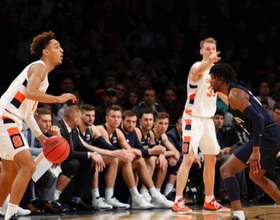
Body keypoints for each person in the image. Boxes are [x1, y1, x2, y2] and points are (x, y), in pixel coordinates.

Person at [0, 31, 77, 220]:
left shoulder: (44, 76)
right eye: (56, 46)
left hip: (12, 118)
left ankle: (3, 209)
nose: (62, 50)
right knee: (28, 166)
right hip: (6, 117)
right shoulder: (39, 67)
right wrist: (59, 98)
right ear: (46, 52)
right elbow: (32, 92)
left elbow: (27, 112)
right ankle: (10, 215)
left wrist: (41, 137)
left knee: (11, 171)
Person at [209, 63, 280, 220]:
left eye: (212, 78)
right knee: (256, 177)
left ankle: (239, 216)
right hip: (273, 134)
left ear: (220, 79)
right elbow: (219, 94)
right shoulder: (232, 93)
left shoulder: (235, 95)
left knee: (226, 170)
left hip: (266, 135)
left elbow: (258, 118)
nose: (210, 81)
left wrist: (255, 150)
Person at [172, 37, 230, 213]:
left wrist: (240, 106)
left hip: (208, 120)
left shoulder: (216, 73)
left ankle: (209, 199)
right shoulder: (197, 67)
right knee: (189, 158)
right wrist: (209, 62)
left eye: (213, 49)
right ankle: (178, 200)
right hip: (192, 118)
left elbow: (222, 94)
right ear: (201, 51)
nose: (211, 51)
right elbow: (199, 68)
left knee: (211, 159)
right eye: (207, 49)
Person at [97, 105, 167, 209]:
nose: (116, 119)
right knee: (127, 159)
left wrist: (159, 154)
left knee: (138, 160)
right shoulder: (101, 129)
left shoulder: (118, 132)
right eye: (113, 116)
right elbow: (110, 149)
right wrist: (138, 151)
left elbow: (130, 149)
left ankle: (153, 194)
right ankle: (128, 196)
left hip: (112, 162)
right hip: (98, 161)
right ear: (107, 118)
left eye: (118, 117)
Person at [77, 104, 132, 210]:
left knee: (113, 158)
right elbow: (85, 146)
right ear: (80, 116)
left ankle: (109, 196)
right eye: (88, 115)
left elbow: (105, 145)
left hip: (90, 157)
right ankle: (96, 198)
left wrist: (118, 152)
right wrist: (111, 152)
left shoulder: (92, 128)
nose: (91, 118)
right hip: (79, 156)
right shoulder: (77, 128)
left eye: (93, 115)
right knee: (96, 158)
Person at [120, 110, 174, 208]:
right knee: (148, 160)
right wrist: (154, 152)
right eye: (146, 120)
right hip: (123, 160)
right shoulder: (136, 131)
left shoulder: (149, 134)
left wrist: (161, 154)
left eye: (150, 120)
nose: (148, 122)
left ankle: (156, 193)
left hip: (133, 159)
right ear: (140, 121)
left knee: (162, 160)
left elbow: (153, 149)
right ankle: (143, 193)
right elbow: (136, 150)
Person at [165, 116, 204, 202]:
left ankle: (203, 195)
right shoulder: (171, 135)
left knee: (203, 165)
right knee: (180, 162)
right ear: (176, 125)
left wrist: (198, 156)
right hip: (174, 161)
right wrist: (193, 156)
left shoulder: (192, 134)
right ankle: (175, 195)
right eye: (182, 125)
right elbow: (174, 152)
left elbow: (200, 150)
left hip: (189, 161)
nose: (184, 127)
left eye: (186, 125)